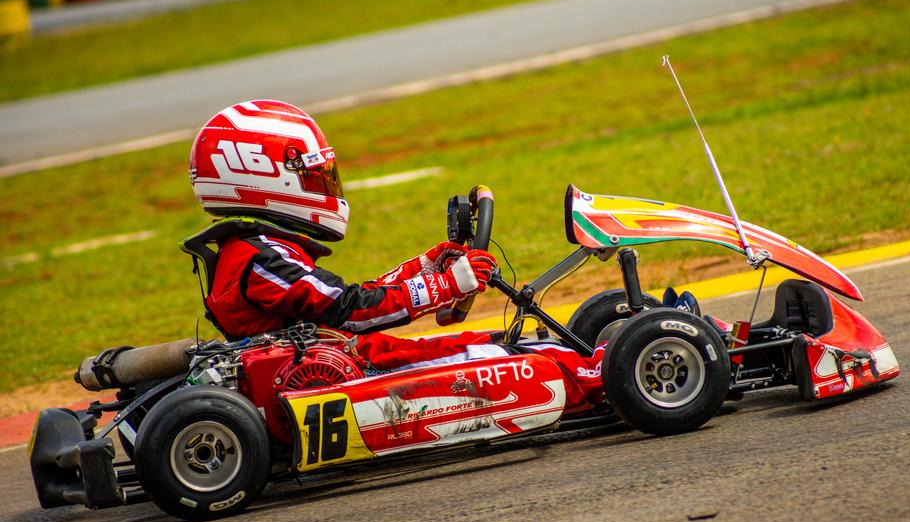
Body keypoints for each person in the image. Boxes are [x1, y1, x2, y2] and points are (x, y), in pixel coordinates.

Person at [183, 99, 602, 378]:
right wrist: (446, 284)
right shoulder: (261, 259)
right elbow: (352, 312)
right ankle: (607, 371)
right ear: (260, 176)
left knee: (497, 343)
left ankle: (604, 350)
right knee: (513, 359)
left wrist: (423, 269)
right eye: (314, 175)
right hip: (338, 372)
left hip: (340, 356)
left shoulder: (256, 250)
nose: (325, 186)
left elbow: (341, 305)